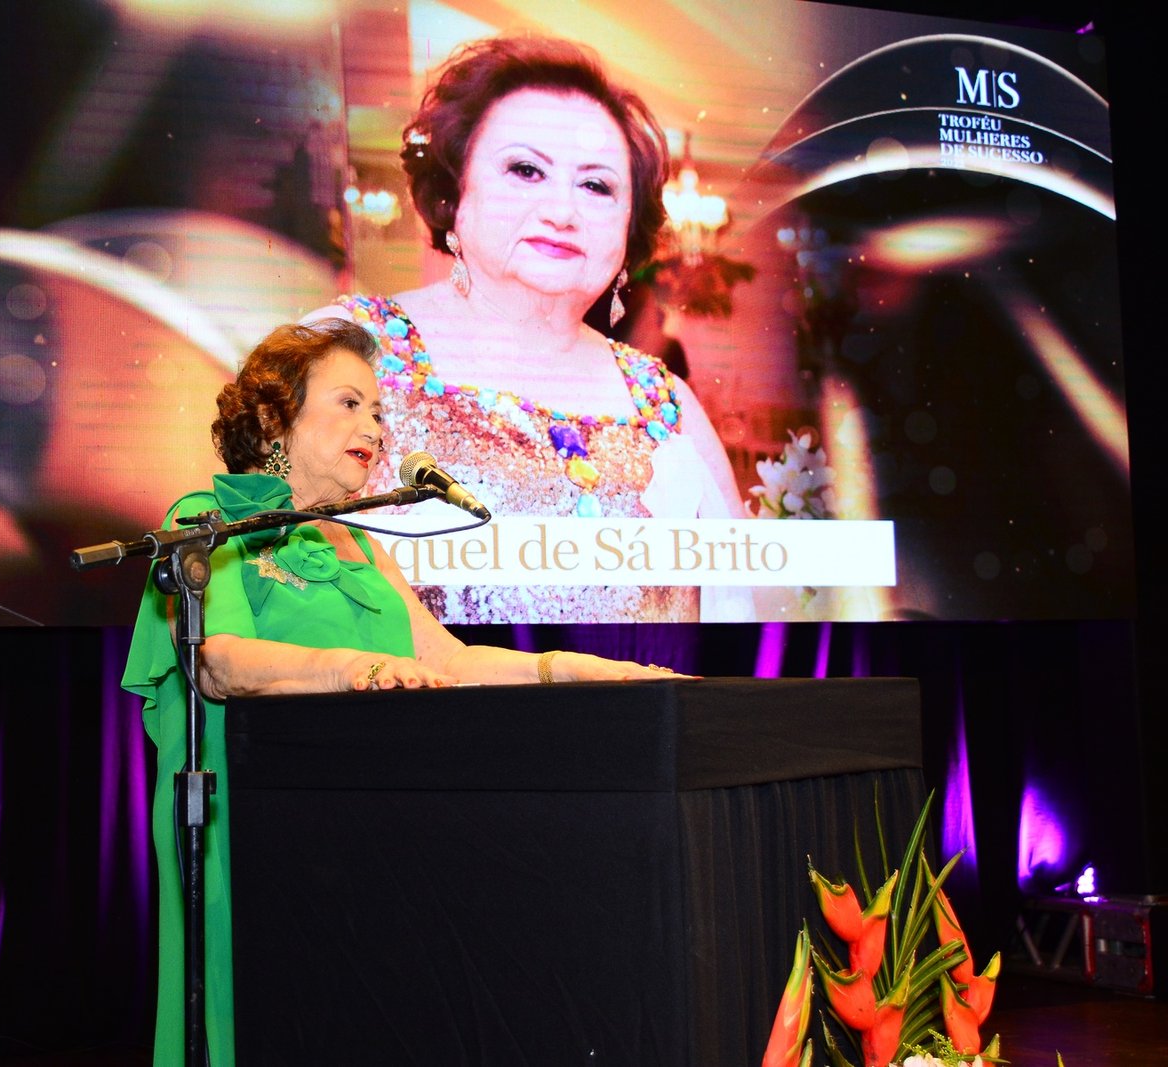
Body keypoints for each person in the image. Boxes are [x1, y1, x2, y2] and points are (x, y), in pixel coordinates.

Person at [122, 318, 688, 1066]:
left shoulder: (361, 543)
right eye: (349, 403)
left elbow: (449, 660)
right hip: (244, 821)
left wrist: (574, 670)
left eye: (379, 411)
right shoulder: (204, 520)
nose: (375, 428)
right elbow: (217, 663)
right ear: (272, 417)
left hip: (358, 824)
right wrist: (354, 670)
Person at [307, 34, 750, 624]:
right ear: (453, 192)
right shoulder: (346, 350)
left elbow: (741, 625)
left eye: (596, 186)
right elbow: (253, 593)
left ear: (628, 227)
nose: (562, 212)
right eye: (525, 170)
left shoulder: (667, 404)